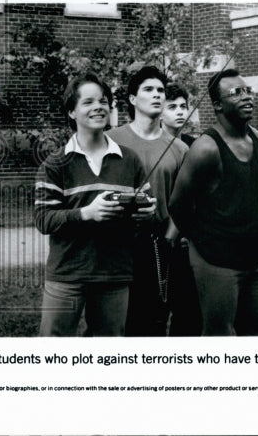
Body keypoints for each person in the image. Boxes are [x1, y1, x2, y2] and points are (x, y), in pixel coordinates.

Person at [35, 73, 154, 336]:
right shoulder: (55, 164)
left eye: (103, 101)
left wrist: (146, 213)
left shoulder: (129, 160)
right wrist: (86, 213)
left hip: (115, 274)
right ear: (72, 111)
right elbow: (44, 220)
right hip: (67, 274)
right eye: (88, 102)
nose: (99, 107)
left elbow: (142, 216)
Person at [168, 69, 258, 336]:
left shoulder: (257, 138)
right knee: (219, 336)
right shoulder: (205, 148)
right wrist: (201, 240)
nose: (247, 97)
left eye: (248, 91)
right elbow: (177, 204)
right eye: (236, 93)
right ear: (217, 104)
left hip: (255, 258)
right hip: (217, 261)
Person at [107, 67, 188, 336]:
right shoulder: (111, 139)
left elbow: (185, 202)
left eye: (161, 91)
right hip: (116, 243)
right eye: (149, 90)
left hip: (159, 245)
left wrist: (169, 237)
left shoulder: (179, 148)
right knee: (115, 323)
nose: (157, 95)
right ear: (132, 99)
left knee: (154, 321)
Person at [160, 83, 201, 336]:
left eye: (183, 107)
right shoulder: (151, 144)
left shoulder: (196, 146)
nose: (179, 112)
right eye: (172, 106)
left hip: (187, 240)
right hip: (155, 236)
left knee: (189, 313)